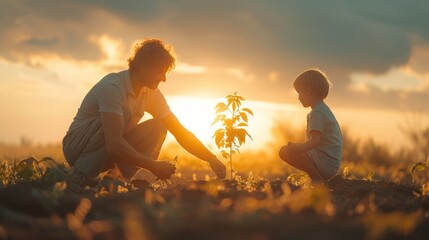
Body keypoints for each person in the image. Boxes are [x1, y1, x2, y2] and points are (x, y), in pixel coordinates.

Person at [62, 38, 226, 181]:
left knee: (159, 126)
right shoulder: (112, 88)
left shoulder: (151, 93)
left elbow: (180, 132)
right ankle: (81, 177)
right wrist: (153, 166)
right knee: (114, 122)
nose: (164, 79)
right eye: (160, 72)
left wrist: (211, 158)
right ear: (142, 66)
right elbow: (114, 144)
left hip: (108, 149)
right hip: (77, 148)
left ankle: (115, 181)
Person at [279, 69, 343, 182]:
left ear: (308, 91)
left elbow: (314, 141)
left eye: (299, 93)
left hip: (326, 165)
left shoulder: (317, 113)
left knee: (285, 151)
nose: (298, 98)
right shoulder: (323, 110)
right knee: (292, 149)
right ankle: (315, 176)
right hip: (329, 164)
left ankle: (317, 178)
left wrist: (296, 148)